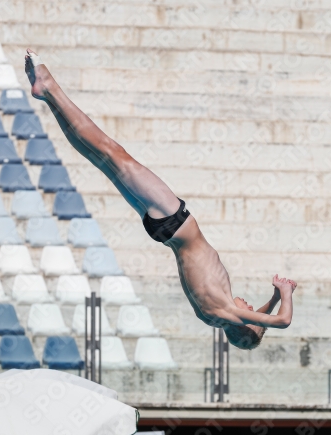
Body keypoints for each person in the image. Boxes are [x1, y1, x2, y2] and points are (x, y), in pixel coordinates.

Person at [25, 49, 297, 350]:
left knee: (111, 151)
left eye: (254, 314)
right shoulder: (217, 315)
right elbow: (259, 320)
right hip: (165, 229)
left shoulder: (228, 312)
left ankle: (49, 86)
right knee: (101, 158)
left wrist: (285, 293)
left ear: (246, 324)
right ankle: (48, 96)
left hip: (174, 220)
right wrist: (272, 298)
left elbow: (281, 321)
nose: (250, 305)